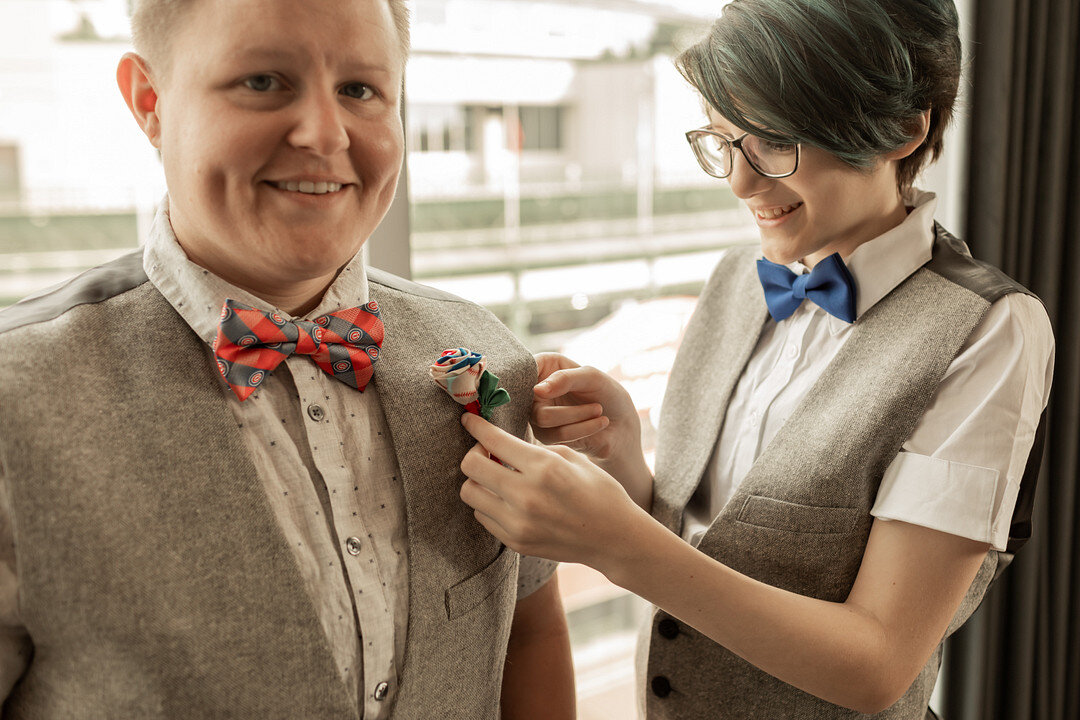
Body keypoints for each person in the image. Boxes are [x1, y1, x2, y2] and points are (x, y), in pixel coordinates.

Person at [454, 0, 1054, 718]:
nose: (740, 183)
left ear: (902, 126)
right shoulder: (738, 277)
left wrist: (615, 542)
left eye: (774, 143)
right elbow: (708, 548)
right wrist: (623, 457)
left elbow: (877, 664)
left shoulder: (992, 331)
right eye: (722, 141)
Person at [0, 1, 575, 717]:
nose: (324, 134)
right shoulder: (14, 400)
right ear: (150, 102)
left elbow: (528, 637)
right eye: (264, 81)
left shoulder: (485, 361)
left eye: (360, 91)